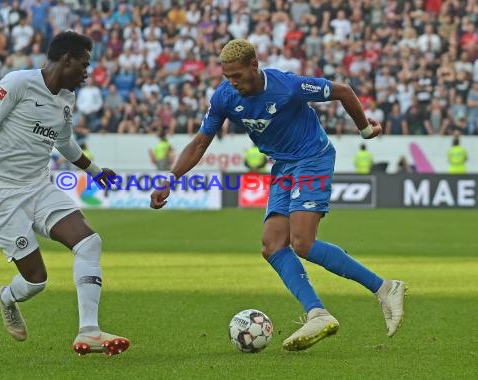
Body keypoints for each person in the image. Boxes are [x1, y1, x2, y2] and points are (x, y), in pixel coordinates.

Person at [150, 39, 406, 351]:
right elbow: (201, 142)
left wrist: (365, 129)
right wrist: (170, 178)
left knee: (302, 243)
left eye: (238, 76)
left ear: (254, 66)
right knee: (272, 246)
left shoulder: (287, 85)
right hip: (284, 167)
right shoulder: (225, 96)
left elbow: (343, 91)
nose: (233, 83)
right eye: (227, 76)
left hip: (313, 157)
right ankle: (318, 313)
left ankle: (384, 288)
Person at [0, 31, 129, 356]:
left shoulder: (66, 98)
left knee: (89, 242)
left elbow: (64, 143)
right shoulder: (19, 82)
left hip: (39, 186)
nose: (86, 72)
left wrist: (95, 172)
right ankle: (8, 297)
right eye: (83, 65)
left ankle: (89, 331)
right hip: (2, 192)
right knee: (36, 281)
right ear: (66, 60)